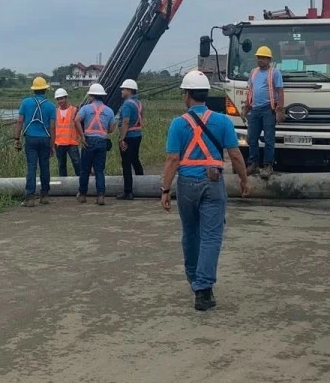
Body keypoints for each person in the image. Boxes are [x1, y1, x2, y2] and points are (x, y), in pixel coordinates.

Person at [161, 71, 250, 311]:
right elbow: (235, 155)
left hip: (187, 185)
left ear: (187, 95)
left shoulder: (178, 124)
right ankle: (203, 289)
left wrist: (165, 189)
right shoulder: (222, 121)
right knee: (211, 236)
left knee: (190, 233)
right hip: (213, 183)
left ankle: (194, 277)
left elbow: (172, 159)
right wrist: (243, 180)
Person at [15, 76, 56, 207]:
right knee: (45, 167)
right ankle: (44, 196)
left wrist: (17, 138)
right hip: (45, 139)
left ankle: (30, 197)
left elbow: (20, 121)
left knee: (31, 167)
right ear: (45, 89)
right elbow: (53, 127)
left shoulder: (26, 103)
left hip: (30, 139)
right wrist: (52, 144)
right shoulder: (50, 106)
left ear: (34, 90)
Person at [244, 45, 284, 177]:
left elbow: (280, 91)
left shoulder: (274, 72)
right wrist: (246, 107)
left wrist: (279, 109)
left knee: (268, 139)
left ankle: (268, 165)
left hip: (268, 109)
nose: (259, 60)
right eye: (258, 57)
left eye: (262, 58)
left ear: (269, 59)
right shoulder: (253, 72)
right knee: (251, 138)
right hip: (255, 110)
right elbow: (250, 90)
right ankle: (253, 164)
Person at [76, 82, 115, 205]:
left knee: (85, 170)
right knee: (99, 170)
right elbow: (112, 128)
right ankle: (101, 196)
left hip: (89, 141)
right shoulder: (109, 111)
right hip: (102, 142)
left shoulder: (85, 109)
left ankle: (82, 195)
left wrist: (82, 136)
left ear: (92, 96)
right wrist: (103, 130)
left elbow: (76, 120)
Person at [117, 78, 144, 200]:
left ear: (129, 90)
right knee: (135, 160)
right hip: (138, 135)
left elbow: (126, 121)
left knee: (126, 164)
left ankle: (128, 191)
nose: (122, 91)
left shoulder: (127, 104)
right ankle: (143, 183)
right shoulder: (138, 103)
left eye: (123, 89)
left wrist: (122, 138)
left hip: (129, 136)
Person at [52, 87, 81, 177]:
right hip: (59, 143)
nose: (60, 101)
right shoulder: (55, 112)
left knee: (77, 163)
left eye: (62, 98)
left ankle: (81, 182)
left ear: (66, 98)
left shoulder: (74, 110)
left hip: (72, 143)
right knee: (61, 165)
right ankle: (63, 185)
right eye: (58, 99)